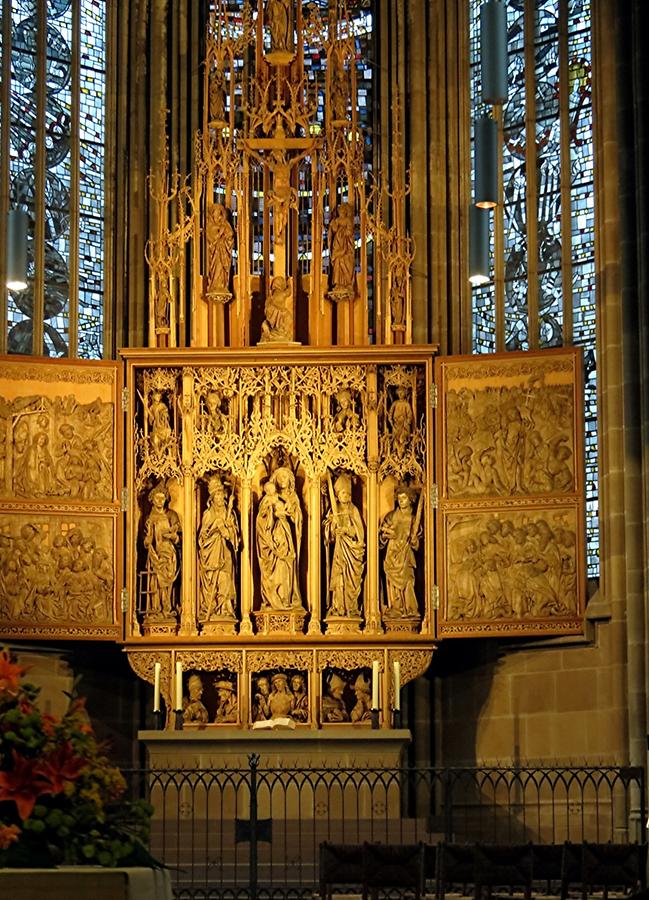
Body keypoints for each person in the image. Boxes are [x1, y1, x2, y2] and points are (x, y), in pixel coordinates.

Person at [256, 467, 303, 610]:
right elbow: (261, 519)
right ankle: (274, 600)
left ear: (290, 480)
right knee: (276, 567)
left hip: (287, 536)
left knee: (287, 566)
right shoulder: (267, 499)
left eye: (285, 477)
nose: (283, 480)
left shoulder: (293, 497)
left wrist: (291, 513)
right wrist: (272, 513)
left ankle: (286, 598)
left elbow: (298, 520)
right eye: (280, 477)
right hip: (274, 538)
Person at [198, 475, 239, 621]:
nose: (220, 497)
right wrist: (217, 528)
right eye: (217, 495)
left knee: (226, 579)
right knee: (214, 579)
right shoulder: (208, 514)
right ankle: (214, 609)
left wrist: (229, 530)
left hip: (226, 552)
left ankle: (226, 609)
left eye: (222, 494)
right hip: (213, 554)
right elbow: (202, 537)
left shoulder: (230, 513)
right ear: (212, 498)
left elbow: (235, 534)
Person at [323, 473, 365, 618]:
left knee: (350, 579)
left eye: (348, 493)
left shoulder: (353, 510)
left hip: (351, 551)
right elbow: (326, 532)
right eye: (342, 493)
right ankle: (338, 607)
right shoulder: (333, 511)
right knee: (339, 578)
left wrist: (346, 530)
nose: (345, 496)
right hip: (338, 551)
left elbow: (359, 532)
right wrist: (333, 526)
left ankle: (351, 608)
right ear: (337, 495)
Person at [379, 486, 421, 618]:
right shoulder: (391, 516)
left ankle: (410, 609)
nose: (401, 501)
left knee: (408, 581)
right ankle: (396, 608)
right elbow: (380, 537)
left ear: (411, 499)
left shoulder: (414, 519)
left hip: (406, 554)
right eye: (399, 498)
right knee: (392, 583)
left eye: (404, 498)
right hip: (392, 554)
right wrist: (385, 536)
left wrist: (415, 541)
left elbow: (419, 543)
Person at [143, 483, 181, 618]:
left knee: (168, 581)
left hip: (169, 553)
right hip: (155, 554)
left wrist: (173, 537)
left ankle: (167, 607)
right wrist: (147, 541)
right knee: (155, 580)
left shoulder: (172, 515)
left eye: (163, 498)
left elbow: (180, 538)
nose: (160, 501)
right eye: (157, 498)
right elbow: (145, 538)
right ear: (152, 499)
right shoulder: (148, 518)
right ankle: (155, 608)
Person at [206, 203, 234, 297]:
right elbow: (211, 239)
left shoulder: (225, 224)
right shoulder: (210, 225)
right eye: (215, 213)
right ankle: (215, 284)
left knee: (222, 268)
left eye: (218, 213)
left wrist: (225, 234)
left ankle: (223, 284)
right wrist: (220, 233)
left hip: (223, 252)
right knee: (216, 267)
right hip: (215, 254)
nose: (216, 216)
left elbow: (230, 236)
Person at [329, 202, 355, 295]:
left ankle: (347, 283)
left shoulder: (348, 220)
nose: (341, 212)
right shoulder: (337, 220)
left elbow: (350, 231)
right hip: (337, 243)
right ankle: (338, 283)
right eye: (340, 211)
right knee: (337, 262)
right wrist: (333, 225)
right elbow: (334, 229)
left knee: (344, 261)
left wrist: (343, 232)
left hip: (345, 244)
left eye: (343, 211)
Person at [260, 275, 292, 343]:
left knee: (286, 318)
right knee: (287, 317)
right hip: (278, 315)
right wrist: (289, 283)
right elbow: (289, 292)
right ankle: (278, 332)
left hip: (279, 316)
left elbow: (266, 309)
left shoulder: (271, 298)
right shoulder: (281, 294)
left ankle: (279, 332)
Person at [388, 386, 414, 457]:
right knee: (395, 440)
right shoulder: (395, 403)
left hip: (404, 426)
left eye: (402, 393)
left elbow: (409, 415)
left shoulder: (406, 404)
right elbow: (390, 413)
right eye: (399, 393)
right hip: (396, 425)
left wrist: (407, 422)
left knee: (402, 439)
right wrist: (391, 420)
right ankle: (395, 454)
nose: (400, 394)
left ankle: (403, 454)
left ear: (405, 393)